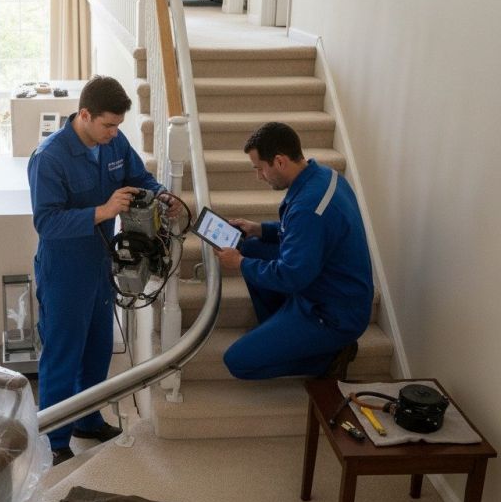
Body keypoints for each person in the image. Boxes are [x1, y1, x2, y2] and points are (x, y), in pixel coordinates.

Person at [28, 75, 179, 465]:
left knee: (97, 349)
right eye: (108, 125)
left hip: (101, 265)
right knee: (63, 353)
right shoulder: (50, 157)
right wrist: (103, 211)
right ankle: (55, 438)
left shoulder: (113, 143)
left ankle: (88, 419)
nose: (114, 133)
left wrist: (160, 192)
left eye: (118, 125)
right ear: (84, 115)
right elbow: (46, 223)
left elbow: (138, 177)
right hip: (64, 271)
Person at [216, 121, 373, 380]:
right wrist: (260, 229)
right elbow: (306, 235)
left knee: (237, 361)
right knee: (253, 247)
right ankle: (283, 329)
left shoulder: (308, 207)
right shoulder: (326, 176)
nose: (259, 177)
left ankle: (327, 357)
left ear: (279, 161)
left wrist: (239, 264)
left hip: (332, 313)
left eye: (260, 169)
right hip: (326, 283)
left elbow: (291, 275)